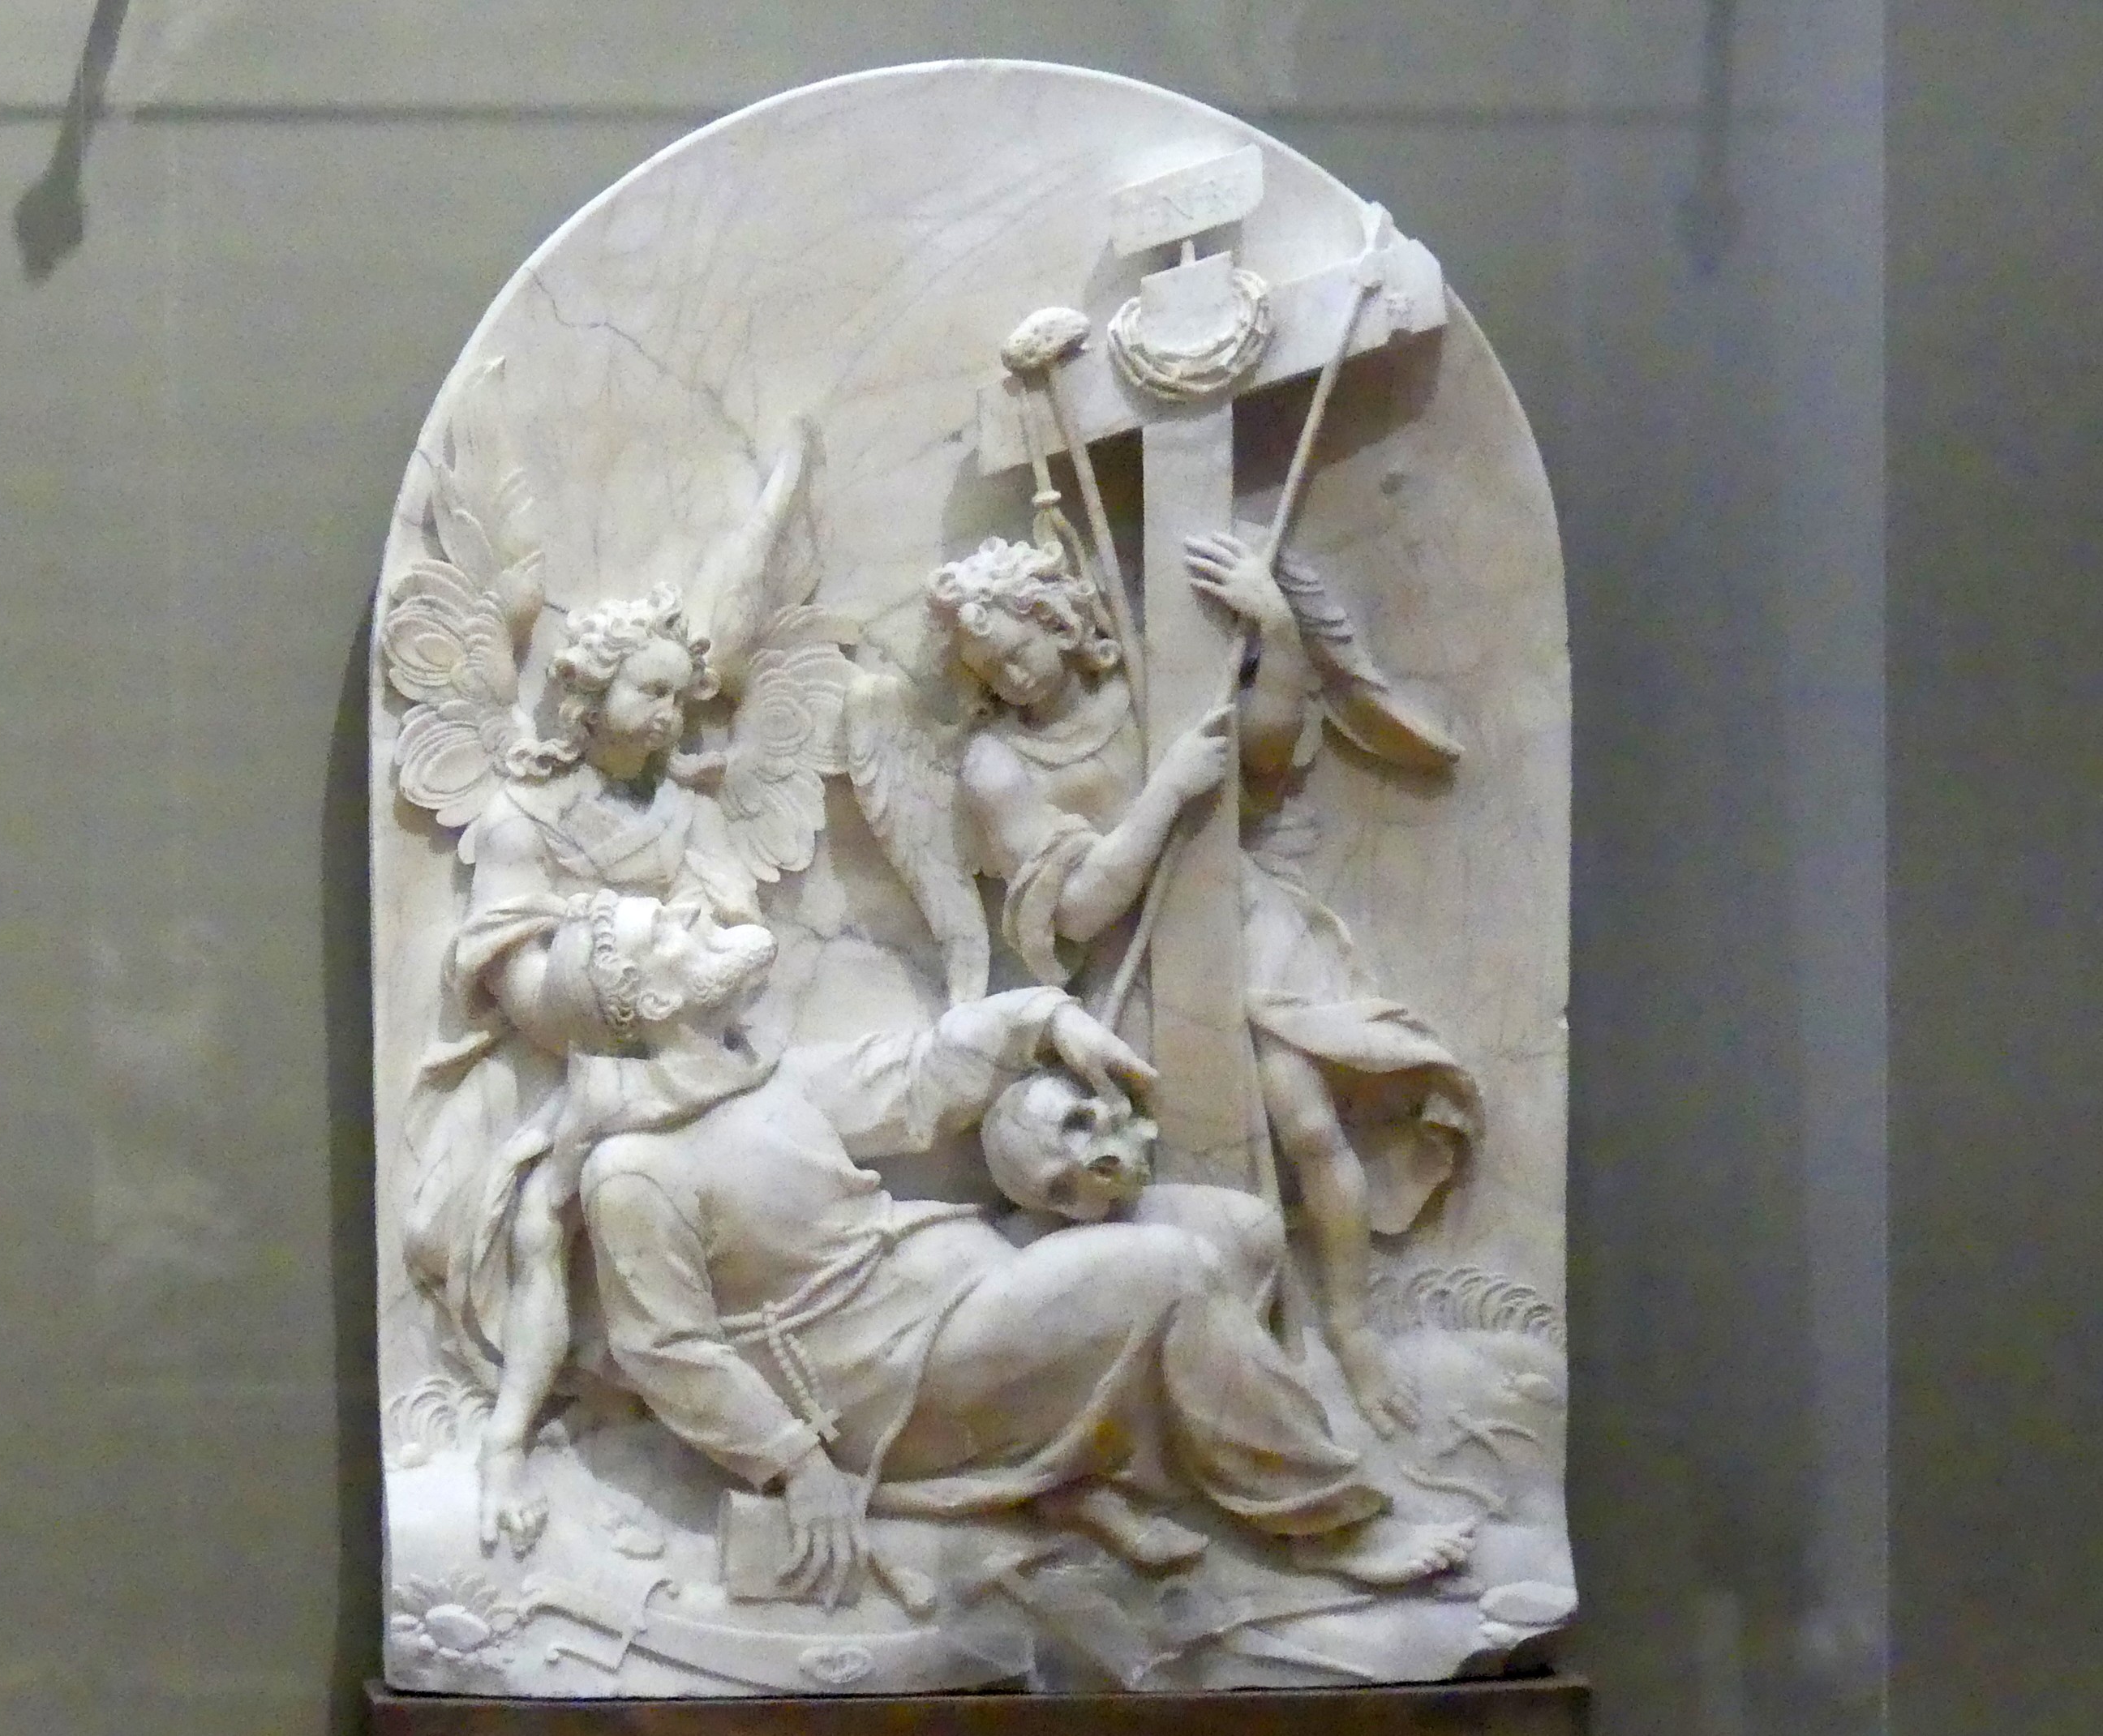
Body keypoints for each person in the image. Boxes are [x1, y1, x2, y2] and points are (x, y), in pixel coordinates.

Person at [567, 891, 1476, 1605]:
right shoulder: (636, 1168)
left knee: (1236, 1231)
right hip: (895, 1383)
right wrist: (796, 1461)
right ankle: (1325, 1522)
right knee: (1168, 1269)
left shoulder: (760, 1084)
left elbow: (916, 1076)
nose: (695, 912)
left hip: (961, 1293)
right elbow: (667, 1349)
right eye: (668, 928)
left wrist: (1043, 1019)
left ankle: (1118, 1471)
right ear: (655, 1000)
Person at [927, 533, 1482, 1434]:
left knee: (1307, 1121)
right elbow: (1078, 909)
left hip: (1238, 921)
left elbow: (1259, 755)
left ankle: (1350, 1327)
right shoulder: (996, 764)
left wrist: (1277, 632)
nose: (1011, 675)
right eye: (989, 668)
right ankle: (1216, 1367)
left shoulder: (1147, 680)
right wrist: (1167, 789)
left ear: (1056, 618)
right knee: (1172, 1175)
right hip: (1141, 967)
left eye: (1018, 648)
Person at [399, 585, 764, 1552]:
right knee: (540, 1219)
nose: (670, 714)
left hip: (687, 1049)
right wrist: (614, 984)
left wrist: (685, 976)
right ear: (590, 698)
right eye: (650, 690)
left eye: (680, 696)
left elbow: (743, 936)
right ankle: (507, 1444)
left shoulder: (689, 813)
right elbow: (516, 979)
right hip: (563, 1063)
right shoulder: (524, 817)